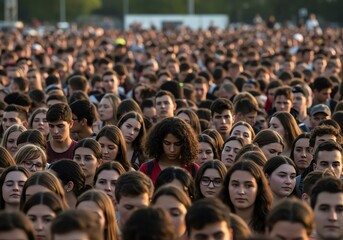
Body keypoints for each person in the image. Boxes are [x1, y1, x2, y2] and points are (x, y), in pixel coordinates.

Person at [139, 117, 199, 184]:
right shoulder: (146, 169)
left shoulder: (194, 169)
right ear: (158, 142)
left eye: (177, 144)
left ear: (185, 144)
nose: (172, 149)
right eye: (167, 143)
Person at [218, 160, 273, 234]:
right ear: (227, 187)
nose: (241, 192)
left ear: (259, 189)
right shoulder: (217, 222)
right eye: (235, 185)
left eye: (248, 185)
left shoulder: (271, 225)